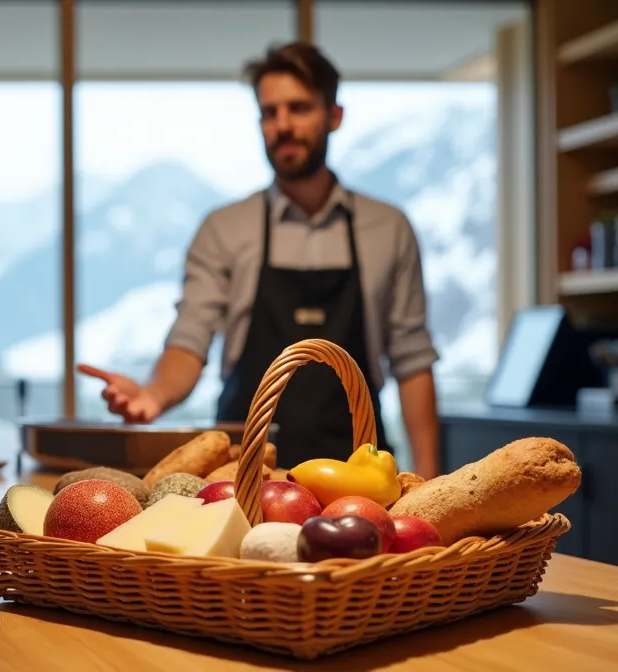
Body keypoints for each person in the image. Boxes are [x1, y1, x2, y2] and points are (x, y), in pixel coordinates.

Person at [78, 42, 441, 478]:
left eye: (299, 108)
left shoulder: (388, 228)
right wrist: (154, 394)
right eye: (269, 113)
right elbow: (190, 338)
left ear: (334, 116)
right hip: (240, 473)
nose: (282, 125)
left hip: (358, 472)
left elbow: (413, 361)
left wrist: (430, 479)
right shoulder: (224, 228)